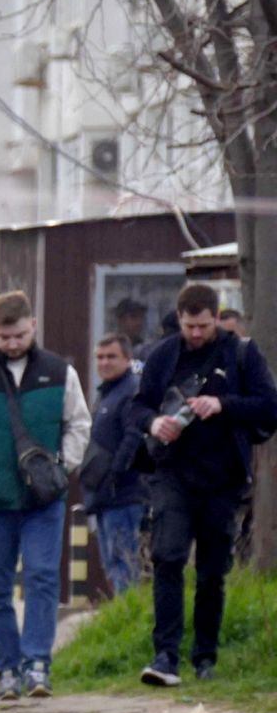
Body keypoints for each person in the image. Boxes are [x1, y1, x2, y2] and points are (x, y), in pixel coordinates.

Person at [0, 290, 90, 702]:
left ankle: (37, 661)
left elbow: (79, 424)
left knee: (43, 576)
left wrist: (62, 467)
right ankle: (6, 668)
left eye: (19, 335)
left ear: (33, 326)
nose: (12, 344)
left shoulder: (61, 373)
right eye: (4, 337)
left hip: (44, 499)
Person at [131, 283, 277, 687]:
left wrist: (223, 404)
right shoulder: (163, 355)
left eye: (203, 325)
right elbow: (137, 405)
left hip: (222, 478)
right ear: (179, 319)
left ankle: (205, 655)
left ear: (217, 317)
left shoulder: (241, 354)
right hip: (172, 473)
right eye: (189, 325)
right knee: (168, 557)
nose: (196, 334)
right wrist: (153, 423)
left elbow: (270, 406)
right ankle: (165, 656)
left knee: (213, 571)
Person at [80, 334, 146, 595]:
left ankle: (128, 620)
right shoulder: (106, 393)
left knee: (124, 566)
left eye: (111, 357)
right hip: (103, 495)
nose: (104, 362)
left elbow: (133, 437)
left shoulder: (130, 391)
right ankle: (121, 617)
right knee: (112, 565)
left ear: (128, 359)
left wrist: (116, 474)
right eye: (100, 357)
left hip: (124, 494)